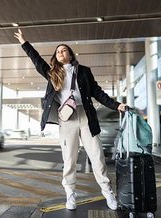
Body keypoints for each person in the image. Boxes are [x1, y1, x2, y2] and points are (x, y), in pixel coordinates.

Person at [14, 29, 127, 211]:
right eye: (58, 51)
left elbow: (97, 92)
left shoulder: (83, 71)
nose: (61, 53)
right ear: (55, 57)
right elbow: (36, 61)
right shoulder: (52, 73)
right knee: (69, 159)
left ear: (70, 54)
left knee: (97, 156)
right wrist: (24, 42)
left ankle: (107, 192)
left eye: (64, 50)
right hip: (66, 119)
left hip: (86, 116)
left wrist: (116, 105)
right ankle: (70, 194)